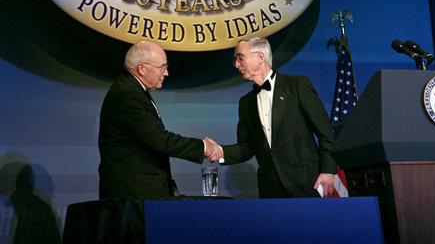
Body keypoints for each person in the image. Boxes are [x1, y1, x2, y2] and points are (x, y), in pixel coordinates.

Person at [206, 37, 336, 198]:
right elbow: (246, 148)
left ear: (260, 57)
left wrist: (328, 171)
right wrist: (220, 151)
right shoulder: (246, 103)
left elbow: (325, 133)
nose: (237, 65)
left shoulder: (296, 85)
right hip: (270, 188)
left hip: (308, 182)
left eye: (240, 57)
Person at [98, 41, 218, 199]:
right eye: (162, 67)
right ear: (141, 68)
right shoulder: (129, 95)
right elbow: (160, 140)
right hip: (133, 196)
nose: (166, 73)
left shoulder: (132, 89)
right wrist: (203, 147)